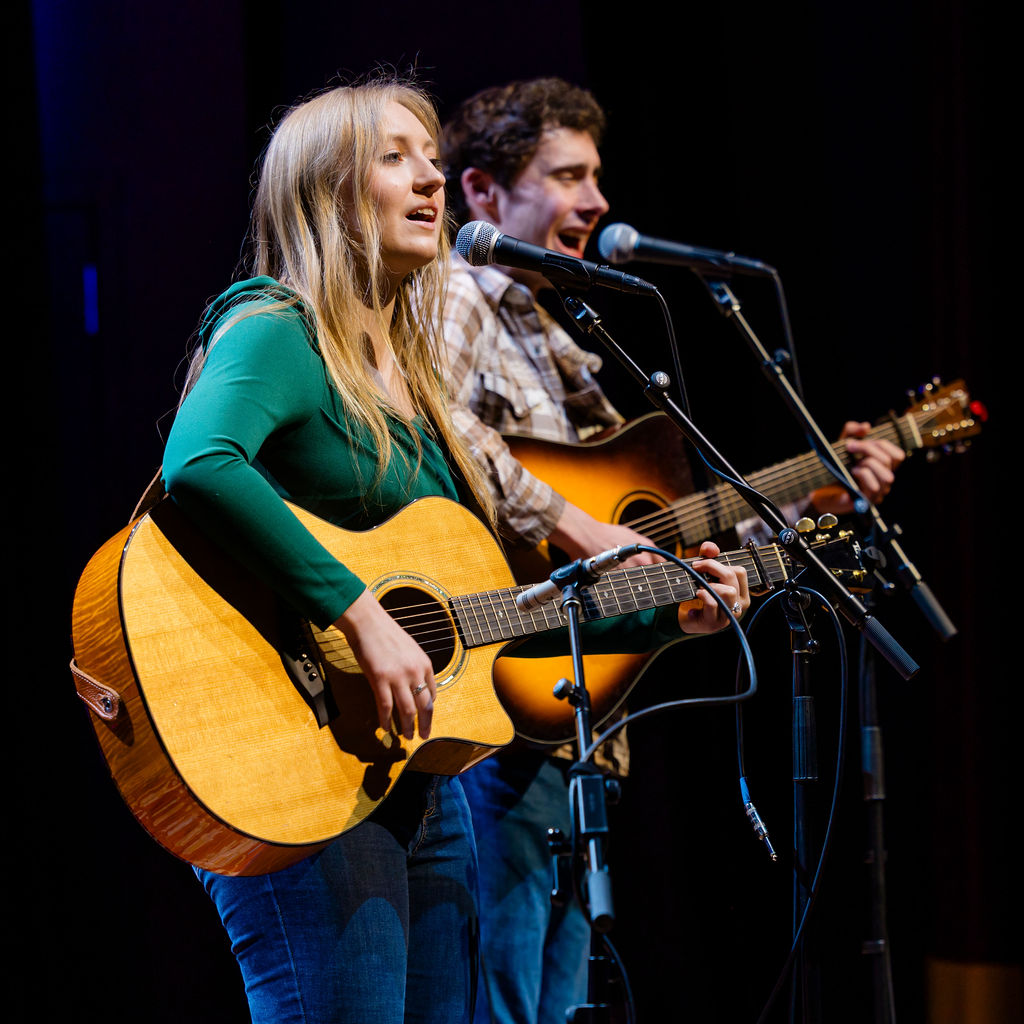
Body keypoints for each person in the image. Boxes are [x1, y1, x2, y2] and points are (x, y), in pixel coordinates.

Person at [159, 75, 751, 1024]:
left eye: (433, 157)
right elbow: (199, 461)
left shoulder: (416, 383)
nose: (432, 179)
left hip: (417, 774)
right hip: (292, 763)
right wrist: (359, 613)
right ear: (325, 190)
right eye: (395, 158)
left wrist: (665, 614)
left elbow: (479, 611)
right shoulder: (276, 326)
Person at [439, 76, 906, 1024]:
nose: (597, 200)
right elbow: (439, 432)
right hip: (498, 692)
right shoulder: (454, 299)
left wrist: (808, 498)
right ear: (482, 191)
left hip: (579, 713)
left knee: (559, 1004)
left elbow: (657, 535)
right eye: (567, 176)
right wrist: (581, 530)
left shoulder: (554, 336)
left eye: (596, 176)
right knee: (504, 1002)